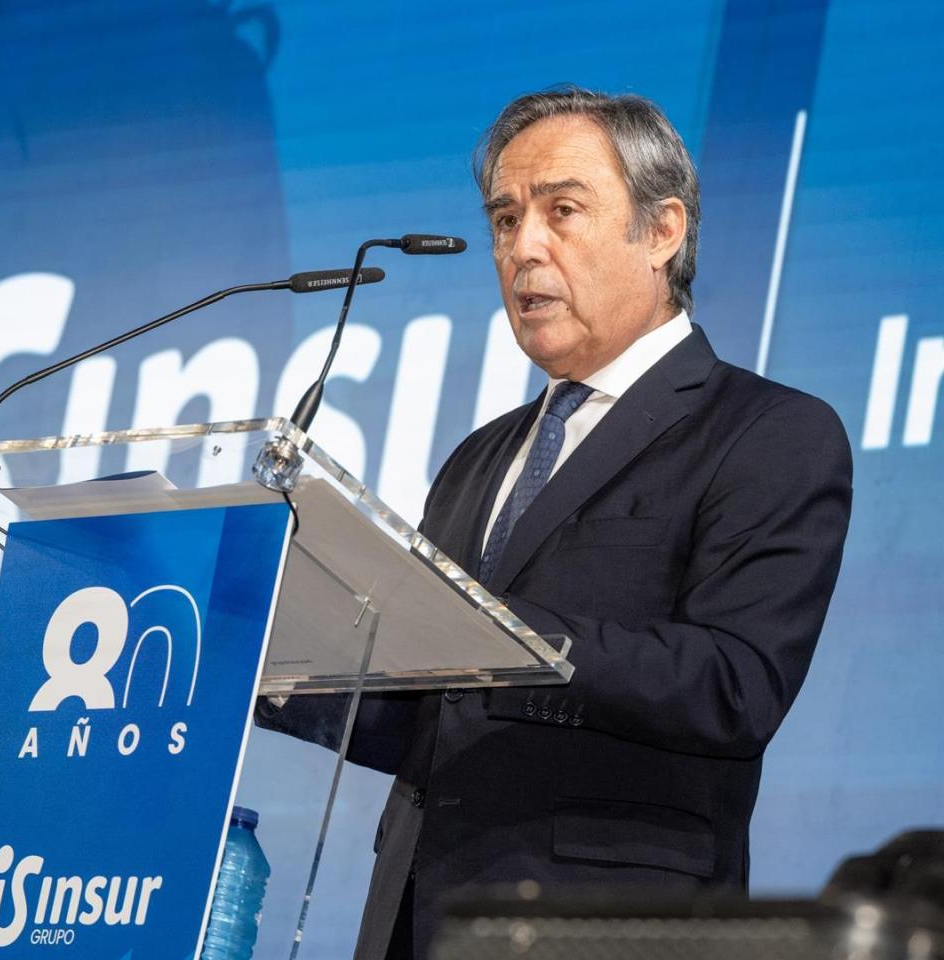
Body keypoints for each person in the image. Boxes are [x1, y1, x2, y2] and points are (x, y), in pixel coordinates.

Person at [258, 86, 853, 960]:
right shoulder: (478, 458)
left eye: (561, 211)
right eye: (505, 220)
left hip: (611, 929)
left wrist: (499, 634)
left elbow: (735, 686)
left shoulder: (767, 431)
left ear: (662, 231)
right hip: (419, 923)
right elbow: (434, 716)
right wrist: (274, 665)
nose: (523, 247)